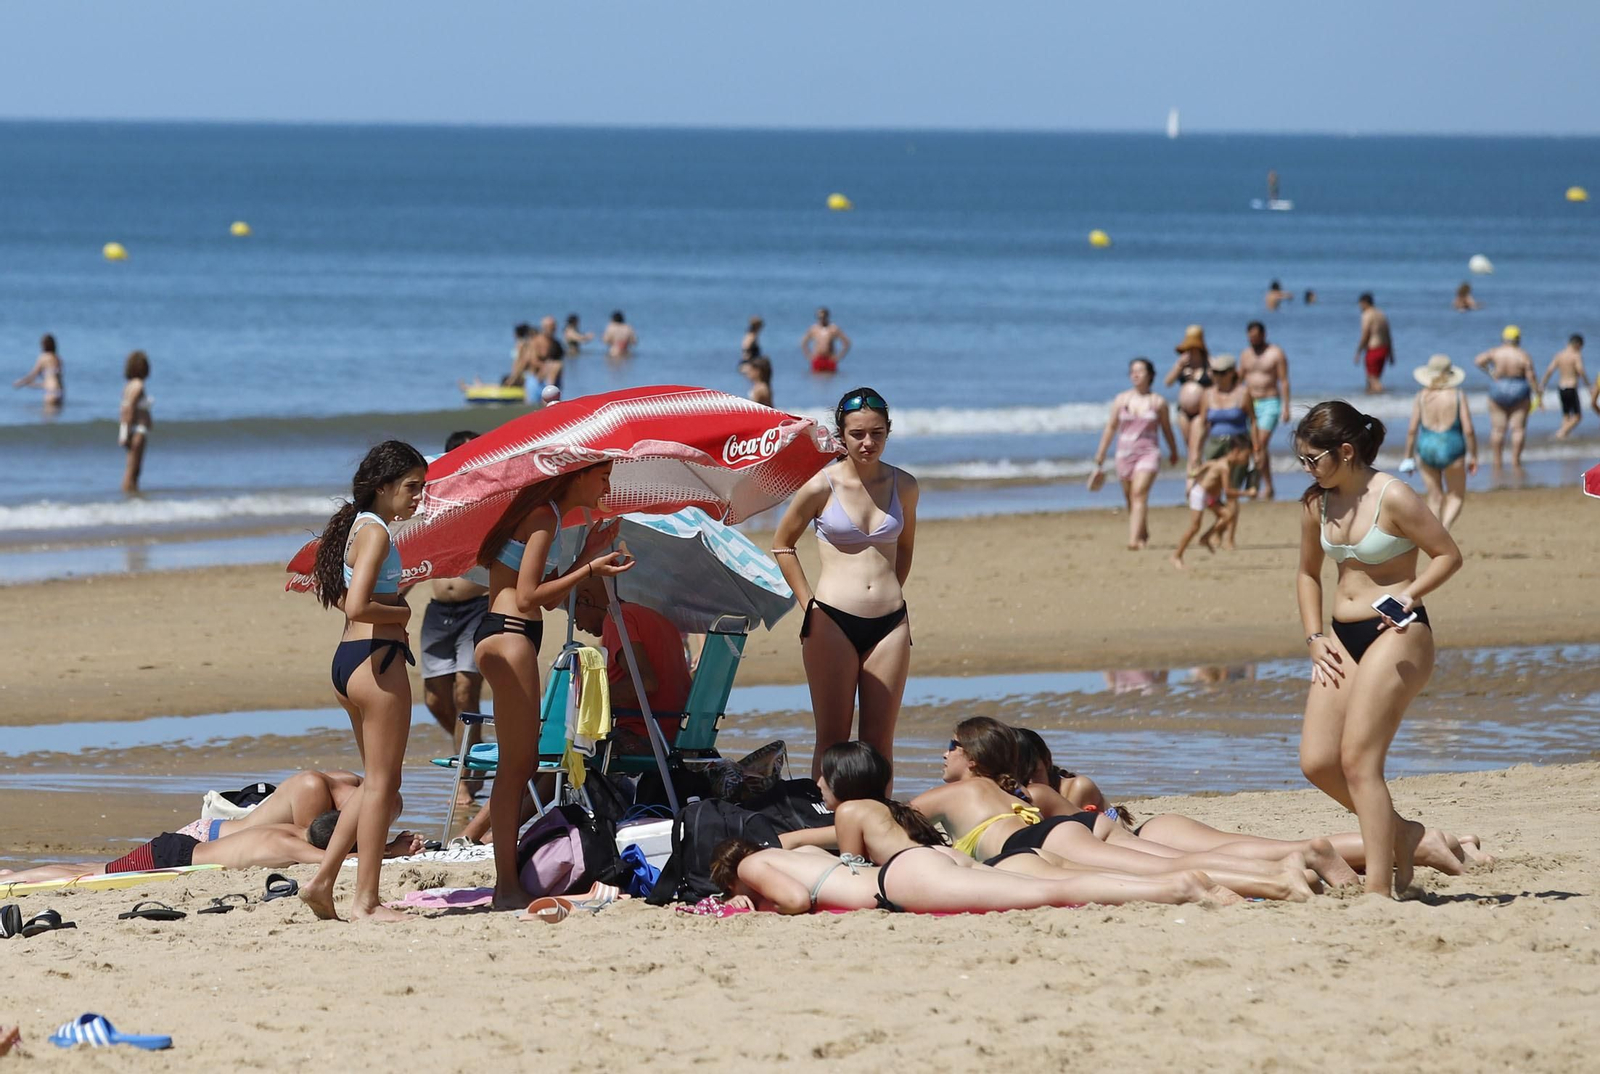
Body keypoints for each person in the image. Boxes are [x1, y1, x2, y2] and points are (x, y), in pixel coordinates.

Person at [1295, 401, 1464, 898]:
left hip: (1400, 632)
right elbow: (1307, 574)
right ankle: (1405, 834)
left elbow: (1449, 555)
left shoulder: (1394, 495)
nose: (1306, 469)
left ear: (1345, 452)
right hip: (1340, 637)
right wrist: (1314, 637)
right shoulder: (1315, 503)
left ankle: (1378, 891)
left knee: (1358, 761)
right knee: (1317, 761)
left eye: (1312, 459)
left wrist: (1411, 593)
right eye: (1301, 460)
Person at [909, 720, 1316, 899]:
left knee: (1163, 869)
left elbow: (894, 817)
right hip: (1081, 826)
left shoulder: (955, 794)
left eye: (951, 747)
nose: (944, 756)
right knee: (1177, 860)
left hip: (1045, 840)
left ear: (973, 759)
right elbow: (1092, 818)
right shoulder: (1020, 792)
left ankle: (1278, 880)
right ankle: (1280, 869)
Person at [474, 464, 633, 910]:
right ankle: (505, 887)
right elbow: (529, 598)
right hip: (511, 633)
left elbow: (540, 590)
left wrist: (591, 554)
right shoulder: (544, 515)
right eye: (602, 475)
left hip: (496, 632)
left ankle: (505, 882)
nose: (607, 484)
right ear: (576, 476)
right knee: (517, 767)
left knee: (515, 765)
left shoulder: (544, 516)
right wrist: (589, 570)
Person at [301, 440, 428, 923]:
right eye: (412, 487)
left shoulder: (355, 528)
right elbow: (357, 605)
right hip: (377, 661)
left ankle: (322, 879)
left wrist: (392, 603)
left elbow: (344, 600)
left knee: (375, 783)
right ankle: (366, 902)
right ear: (383, 487)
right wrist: (402, 610)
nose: (419, 497)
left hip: (350, 659)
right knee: (382, 785)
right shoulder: (374, 534)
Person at [772, 388, 917, 780]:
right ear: (841, 435)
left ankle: (880, 830)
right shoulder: (821, 486)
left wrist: (889, 590)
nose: (867, 442)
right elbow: (782, 545)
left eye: (877, 433)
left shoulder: (905, 486)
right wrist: (810, 606)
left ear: (888, 432)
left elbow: (904, 547)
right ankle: (826, 830)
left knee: (879, 742)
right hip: (831, 620)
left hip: (890, 624)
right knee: (832, 742)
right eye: (857, 434)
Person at [0, 808, 421, 885]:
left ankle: (13, 874)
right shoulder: (287, 844)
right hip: (172, 857)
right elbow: (336, 861)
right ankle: (13, 878)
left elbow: (335, 849)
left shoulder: (296, 829)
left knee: (96, 866)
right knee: (92, 876)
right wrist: (390, 851)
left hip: (178, 848)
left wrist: (386, 845)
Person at [420, 431, 489, 808]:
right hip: (438, 611)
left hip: (477, 606)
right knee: (434, 699)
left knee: (465, 691)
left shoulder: (488, 500)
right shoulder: (434, 501)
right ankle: (474, 750)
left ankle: (465, 775)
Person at [571, 575, 692, 755]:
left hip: (649, 733)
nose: (579, 627)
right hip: (678, 732)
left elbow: (645, 683)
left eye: (575, 618)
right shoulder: (653, 617)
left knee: (563, 749)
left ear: (586, 600)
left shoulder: (617, 620)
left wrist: (587, 698)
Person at [1090, 357, 1178, 550]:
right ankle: (1142, 532)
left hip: (1148, 453)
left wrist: (1173, 450)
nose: (1136, 374)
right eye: (1132, 371)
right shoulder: (1121, 399)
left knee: (1139, 493)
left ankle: (1133, 540)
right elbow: (1111, 427)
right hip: (1124, 454)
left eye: (1140, 371)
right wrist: (1101, 453)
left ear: (1150, 375)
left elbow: (1166, 429)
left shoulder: (1158, 402)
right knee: (1131, 497)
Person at [1189, 353, 1257, 547]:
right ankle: (1218, 528)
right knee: (1212, 491)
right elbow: (1203, 423)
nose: (1216, 376)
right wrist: (1195, 451)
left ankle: (1229, 537)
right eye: (1214, 372)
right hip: (1214, 445)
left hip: (1237, 446)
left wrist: (1257, 448)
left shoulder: (1243, 393)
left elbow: (1252, 420)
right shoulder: (1207, 394)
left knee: (1232, 491)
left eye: (1221, 373)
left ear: (1231, 373)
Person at [1403, 356, 1477, 530]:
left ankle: (1436, 533)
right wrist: (1473, 455)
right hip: (1452, 445)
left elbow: (1412, 430)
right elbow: (1469, 429)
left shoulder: (1421, 396)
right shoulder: (1458, 395)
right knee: (1456, 496)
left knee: (1434, 498)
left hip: (1427, 447)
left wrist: (1408, 457)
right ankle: (1445, 528)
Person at [1171, 436, 1252, 568]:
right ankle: (1176, 556)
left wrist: (1198, 471)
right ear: (1237, 451)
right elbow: (1228, 491)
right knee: (1194, 527)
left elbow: (1209, 465)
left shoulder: (1223, 463)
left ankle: (1205, 538)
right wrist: (1247, 493)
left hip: (1210, 497)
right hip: (1200, 494)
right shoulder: (1224, 467)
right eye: (1246, 455)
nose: (1247, 460)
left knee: (1227, 515)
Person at [1473, 325, 1539, 471]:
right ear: (1518, 339)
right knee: (1518, 429)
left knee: (1498, 429)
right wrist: (1537, 392)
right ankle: (1515, 461)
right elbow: (1531, 376)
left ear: (1504, 338)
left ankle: (1497, 461)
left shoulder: (1496, 352)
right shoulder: (1522, 355)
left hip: (1499, 386)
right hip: (1519, 387)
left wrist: (1491, 372)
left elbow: (1478, 360)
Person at [1240, 321, 1291, 500]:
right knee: (1256, 447)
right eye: (1250, 337)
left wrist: (1286, 407)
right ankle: (1267, 486)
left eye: (1256, 337)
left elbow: (1284, 380)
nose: (1253, 340)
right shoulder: (1245, 355)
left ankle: (1256, 485)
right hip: (1250, 403)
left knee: (1259, 444)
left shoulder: (1275, 353)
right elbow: (1240, 379)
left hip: (1270, 402)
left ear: (1263, 335)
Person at [1162, 324, 1211, 449]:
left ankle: (1196, 467)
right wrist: (1179, 366)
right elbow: (1168, 382)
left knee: (1197, 445)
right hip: (1183, 411)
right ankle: (1193, 468)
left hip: (1201, 411)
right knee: (1188, 444)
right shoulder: (1182, 363)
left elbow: (1218, 382)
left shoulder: (1208, 363)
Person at [1538, 334, 1587, 439]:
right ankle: (1561, 433)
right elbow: (1581, 371)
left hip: (1561, 388)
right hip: (1571, 387)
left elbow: (1549, 371)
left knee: (1566, 415)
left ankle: (1565, 436)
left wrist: (1542, 384)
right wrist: (1588, 384)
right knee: (1577, 416)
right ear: (1578, 345)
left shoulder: (1559, 355)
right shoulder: (1576, 355)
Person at [118, 351, 153, 493]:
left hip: (132, 429)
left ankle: (131, 493)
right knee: (134, 469)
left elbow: (124, 409)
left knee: (131, 467)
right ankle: (130, 493)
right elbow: (130, 409)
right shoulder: (139, 386)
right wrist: (125, 432)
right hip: (138, 430)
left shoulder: (128, 385)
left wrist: (123, 431)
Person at [1354, 293, 1394, 394]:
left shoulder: (1367, 314)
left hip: (1373, 348)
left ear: (1364, 303)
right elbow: (1388, 335)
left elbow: (1365, 334)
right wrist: (1391, 354)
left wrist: (1358, 352)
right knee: (1373, 379)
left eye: (1360, 304)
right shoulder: (1381, 314)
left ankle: (1383, 399)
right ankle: (1374, 402)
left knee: (1373, 379)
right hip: (1384, 349)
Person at [13, 333, 63, 411]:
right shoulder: (58, 359)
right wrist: (33, 385)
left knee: (46, 418)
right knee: (55, 419)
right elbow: (53, 381)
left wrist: (20, 382)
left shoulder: (43, 358)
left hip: (50, 393)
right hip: (60, 392)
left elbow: (33, 375)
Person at [800, 307, 851, 374]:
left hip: (830, 359)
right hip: (817, 358)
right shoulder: (814, 329)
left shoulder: (833, 328)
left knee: (831, 380)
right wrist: (809, 356)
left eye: (823, 317)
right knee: (816, 380)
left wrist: (838, 357)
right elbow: (803, 343)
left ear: (827, 316)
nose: (822, 319)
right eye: (819, 317)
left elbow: (847, 343)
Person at [534, 316, 565, 392]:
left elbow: (560, 358)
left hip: (552, 374)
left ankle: (551, 390)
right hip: (538, 375)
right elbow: (532, 361)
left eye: (554, 327)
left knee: (557, 365)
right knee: (555, 365)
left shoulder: (556, 344)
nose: (553, 329)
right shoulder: (536, 341)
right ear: (543, 327)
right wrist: (546, 366)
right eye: (550, 327)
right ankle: (549, 391)